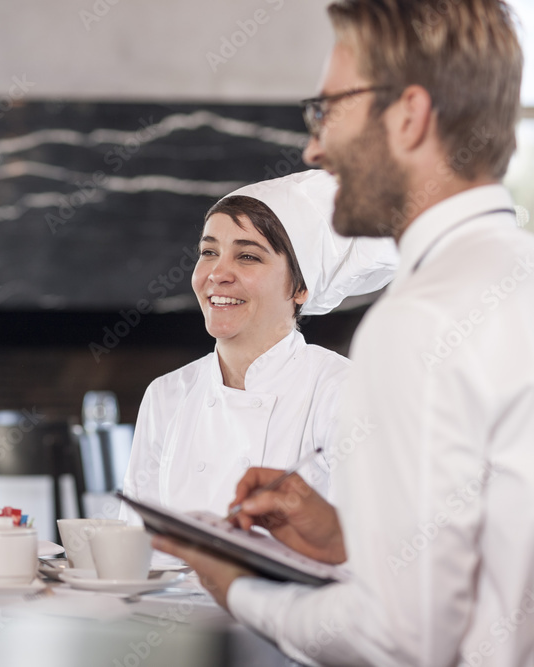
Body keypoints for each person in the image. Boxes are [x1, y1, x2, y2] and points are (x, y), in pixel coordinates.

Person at [153, 1, 534, 665]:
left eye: (329, 109)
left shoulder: (419, 322)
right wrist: (344, 538)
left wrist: (237, 588)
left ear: (409, 115)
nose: (314, 148)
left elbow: (398, 638)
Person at [121, 169, 397, 517]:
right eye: (209, 252)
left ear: (300, 287)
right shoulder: (167, 395)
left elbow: (364, 541)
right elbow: (134, 539)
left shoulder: (346, 392)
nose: (217, 274)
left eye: (247, 256)